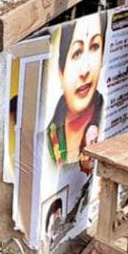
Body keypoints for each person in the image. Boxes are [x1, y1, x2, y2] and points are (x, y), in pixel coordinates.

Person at [46, 12, 107, 173]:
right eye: (77, 53)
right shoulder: (49, 139)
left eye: (94, 47)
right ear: (61, 71)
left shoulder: (106, 116)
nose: (85, 70)